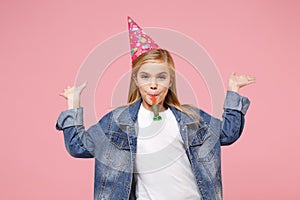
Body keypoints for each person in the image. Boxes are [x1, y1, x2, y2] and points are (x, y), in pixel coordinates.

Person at [56, 16, 255, 200]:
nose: (153, 85)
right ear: (135, 80)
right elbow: (78, 147)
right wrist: (73, 103)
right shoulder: (117, 123)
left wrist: (233, 90)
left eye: (161, 77)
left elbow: (228, 134)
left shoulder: (191, 118)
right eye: (145, 77)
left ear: (170, 81)